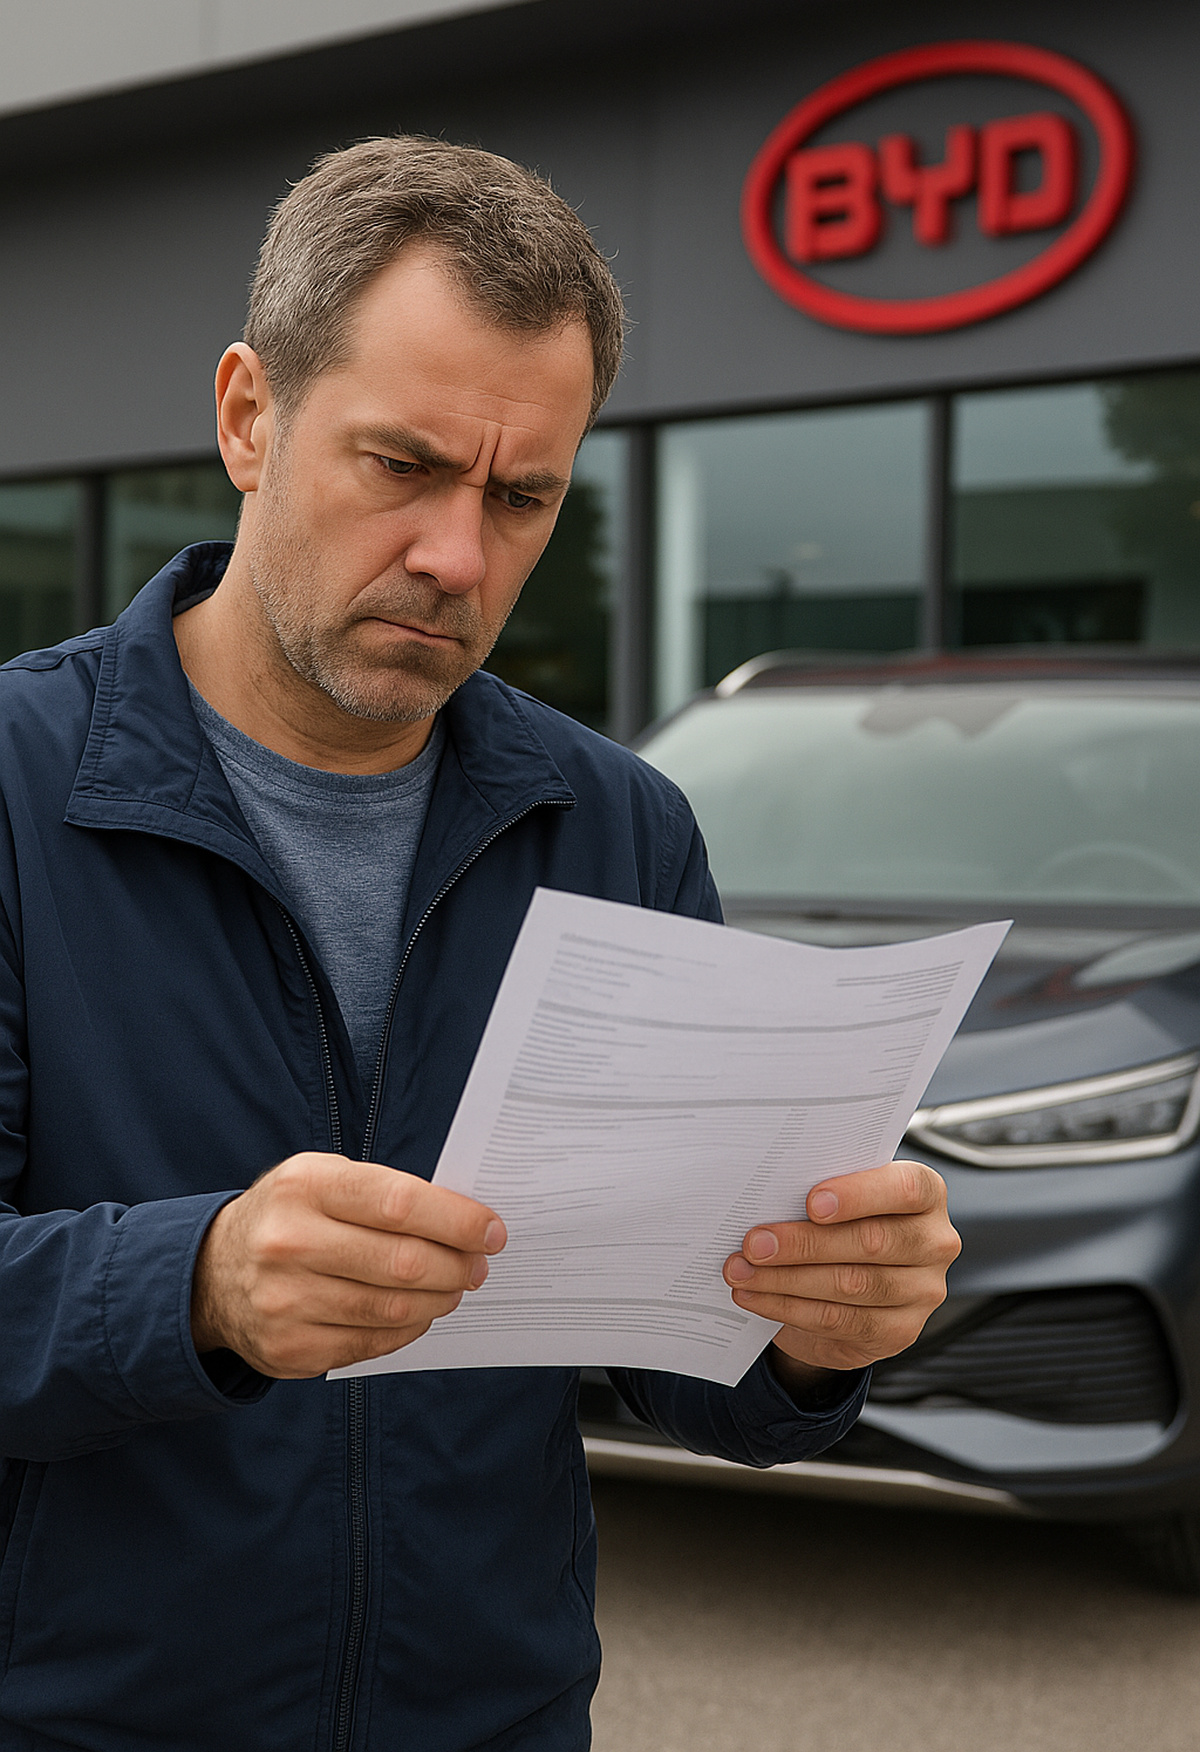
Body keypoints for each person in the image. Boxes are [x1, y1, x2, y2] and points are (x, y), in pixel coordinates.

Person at [0, 136, 960, 1751]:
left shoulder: (620, 827)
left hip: (496, 1717)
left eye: (523, 498)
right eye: (403, 466)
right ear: (249, 416)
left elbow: (678, 1363)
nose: (460, 556)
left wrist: (807, 1333)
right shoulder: (18, 790)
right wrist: (198, 1283)